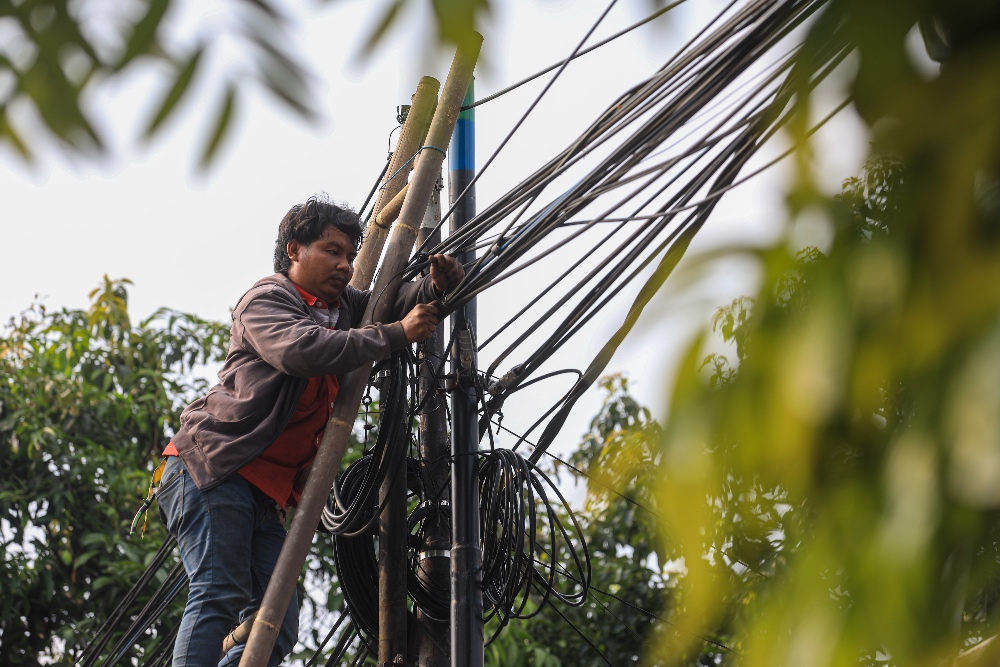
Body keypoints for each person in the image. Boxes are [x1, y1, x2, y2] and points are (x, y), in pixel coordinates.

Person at [154, 194, 464, 667]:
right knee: (218, 593)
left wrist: (430, 287)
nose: (345, 264)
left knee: (276, 627)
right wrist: (398, 333)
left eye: (350, 254)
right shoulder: (267, 300)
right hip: (217, 470)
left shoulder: (342, 307)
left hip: (267, 494)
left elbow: (387, 303)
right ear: (294, 250)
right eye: (332, 251)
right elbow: (303, 350)